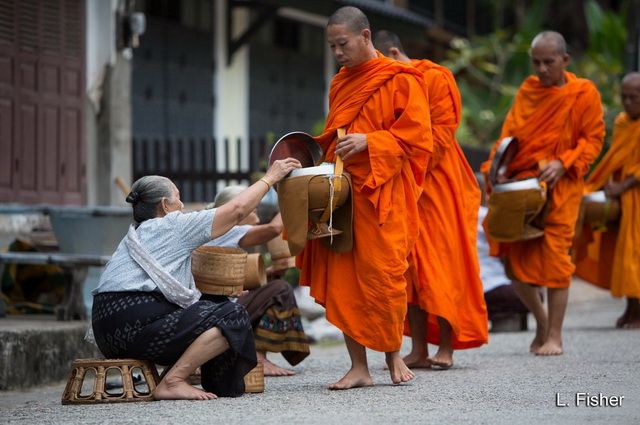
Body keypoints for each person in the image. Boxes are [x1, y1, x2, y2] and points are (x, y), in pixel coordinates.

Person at [297, 6, 433, 389]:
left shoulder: (403, 79)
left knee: (385, 275)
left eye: (343, 44)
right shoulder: (341, 83)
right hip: (344, 191)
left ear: (366, 37)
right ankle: (359, 367)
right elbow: (335, 135)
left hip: (385, 193)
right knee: (343, 278)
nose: (338, 53)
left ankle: (393, 358)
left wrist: (372, 141)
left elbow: (418, 138)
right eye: (332, 46)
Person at [90, 158, 301, 400]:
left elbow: (171, 289)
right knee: (232, 315)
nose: (181, 204)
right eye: (177, 197)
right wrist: (270, 177)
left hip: (106, 334)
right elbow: (237, 210)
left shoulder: (134, 235)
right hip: (137, 327)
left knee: (217, 307)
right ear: (164, 205)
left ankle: (175, 375)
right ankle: (173, 381)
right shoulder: (173, 225)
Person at [480, 31, 605, 355]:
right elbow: (509, 136)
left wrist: (564, 163)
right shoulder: (528, 90)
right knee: (512, 262)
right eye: (536, 62)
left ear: (565, 60)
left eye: (548, 62)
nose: (541, 68)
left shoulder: (583, 93)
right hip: (523, 186)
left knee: (555, 260)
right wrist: (494, 171)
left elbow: (593, 140)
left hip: (562, 189)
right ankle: (541, 320)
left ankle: (555, 337)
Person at [373, 30, 488, 369]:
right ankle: (420, 348)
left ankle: (447, 348)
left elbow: (439, 136)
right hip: (405, 183)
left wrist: (402, 158)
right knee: (408, 267)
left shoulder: (435, 78)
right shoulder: (389, 83)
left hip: (438, 184)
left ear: (394, 51)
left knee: (442, 265)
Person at [205, 185, 310, 376]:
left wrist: (271, 272)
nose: (255, 206)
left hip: (221, 304)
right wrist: (292, 199)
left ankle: (258, 354)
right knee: (281, 289)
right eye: (250, 202)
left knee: (274, 286)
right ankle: (258, 357)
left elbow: (239, 280)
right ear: (234, 208)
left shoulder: (221, 232)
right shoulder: (228, 230)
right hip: (218, 309)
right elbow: (274, 228)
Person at [574, 72, 640, 329]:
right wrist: (606, 184)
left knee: (635, 253)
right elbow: (616, 157)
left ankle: (637, 311)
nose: (627, 102)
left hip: (633, 193)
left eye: (634, 98)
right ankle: (630, 306)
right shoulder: (624, 122)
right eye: (624, 97)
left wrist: (624, 185)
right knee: (620, 252)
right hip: (622, 195)